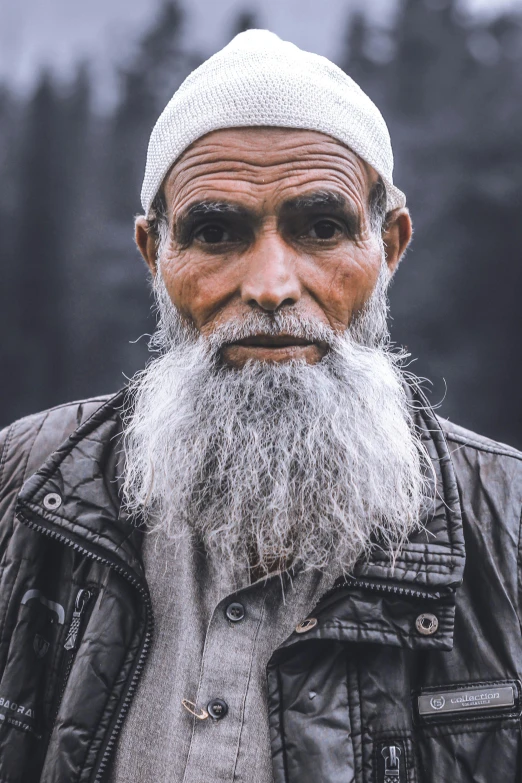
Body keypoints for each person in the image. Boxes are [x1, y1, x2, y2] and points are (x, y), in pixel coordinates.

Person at [0, 29, 521, 783]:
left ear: (390, 247)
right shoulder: (21, 484)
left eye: (321, 227)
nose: (271, 285)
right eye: (216, 232)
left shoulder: (507, 524)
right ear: (155, 255)